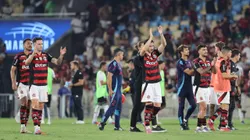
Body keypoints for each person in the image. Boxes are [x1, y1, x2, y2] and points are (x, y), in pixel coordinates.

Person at [25, 37, 66, 134]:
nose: (41, 46)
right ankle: (36, 128)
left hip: (44, 86)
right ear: (34, 45)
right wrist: (33, 54)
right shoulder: (31, 55)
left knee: (40, 107)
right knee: (35, 105)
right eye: (39, 44)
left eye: (42, 44)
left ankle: (38, 127)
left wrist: (61, 55)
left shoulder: (45, 55)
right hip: (34, 85)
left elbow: (57, 62)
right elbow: (26, 63)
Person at [140, 26, 167, 134]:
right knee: (149, 104)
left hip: (156, 83)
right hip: (148, 83)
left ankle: (147, 120)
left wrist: (161, 34)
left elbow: (164, 45)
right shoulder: (141, 56)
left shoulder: (155, 54)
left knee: (157, 106)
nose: (151, 47)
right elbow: (143, 50)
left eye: (152, 45)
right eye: (150, 45)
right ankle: (147, 126)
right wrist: (150, 36)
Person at [207, 47, 238, 132]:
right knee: (225, 106)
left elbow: (222, 74)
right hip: (222, 86)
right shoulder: (223, 62)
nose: (231, 54)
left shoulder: (219, 61)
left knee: (224, 106)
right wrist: (233, 76)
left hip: (221, 85)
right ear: (227, 53)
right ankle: (220, 125)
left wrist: (230, 76)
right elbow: (224, 75)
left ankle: (214, 121)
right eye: (230, 53)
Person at [99, 48, 124, 131]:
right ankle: (102, 122)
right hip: (114, 90)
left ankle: (117, 126)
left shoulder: (118, 64)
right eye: (122, 54)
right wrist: (110, 89)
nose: (123, 56)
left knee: (118, 108)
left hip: (118, 90)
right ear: (118, 55)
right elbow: (109, 77)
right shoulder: (113, 64)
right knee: (112, 107)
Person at [10, 38, 32, 133]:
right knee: (24, 103)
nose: (30, 45)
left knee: (29, 105)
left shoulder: (33, 56)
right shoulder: (18, 56)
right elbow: (13, 70)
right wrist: (13, 82)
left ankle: (24, 125)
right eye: (28, 43)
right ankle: (22, 127)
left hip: (32, 84)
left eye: (31, 43)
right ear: (24, 45)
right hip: (22, 83)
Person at [193, 45, 213, 132]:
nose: (206, 51)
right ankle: (198, 127)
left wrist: (214, 64)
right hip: (199, 86)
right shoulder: (196, 61)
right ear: (199, 51)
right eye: (203, 49)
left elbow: (214, 71)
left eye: (206, 49)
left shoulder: (208, 61)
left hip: (207, 86)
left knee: (204, 108)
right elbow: (201, 71)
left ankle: (203, 126)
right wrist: (210, 67)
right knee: (203, 106)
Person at [176, 45, 197, 130]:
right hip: (182, 87)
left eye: (188, 49)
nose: (188, 51)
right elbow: (189, 72)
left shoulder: (189, 61)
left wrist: (196, 69)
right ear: (181, 52)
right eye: (186, 50)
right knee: (181, 106)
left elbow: (193, 72)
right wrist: (197, 69)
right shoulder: (180, 62)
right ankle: (182, 124)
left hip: (189, 87)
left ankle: (185, 119)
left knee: (193, 105)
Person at [130, 41, 145, 132]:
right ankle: (132, 126)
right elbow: (144, 67)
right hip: (139, 84)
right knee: (136, 106)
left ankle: (151, 124)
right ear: (139, 48)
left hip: (145, 83)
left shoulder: (146, 58)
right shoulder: (136, 59)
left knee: (143, 105)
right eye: (143, 46)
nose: (145, 47)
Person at [209, 42, 224, 118]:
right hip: (212, 84)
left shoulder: (223, 60)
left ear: (218, 49)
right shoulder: (215, 59)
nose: (214, 49)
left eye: (215, 48)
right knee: (211, 105)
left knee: (222, 105)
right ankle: (210, 122)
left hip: (220, 85)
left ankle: (222, 123)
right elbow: (212, 72)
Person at [228, 49, 241, 130]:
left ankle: (229, 123)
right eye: (239, 55)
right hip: (229, 87)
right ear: (236, 55)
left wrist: (237, 87)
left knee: (231, 106)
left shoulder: (234, 65)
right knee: (228, 106)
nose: (239, 57)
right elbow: (230, 76)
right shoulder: (230, 64)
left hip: (232, 87)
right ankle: (227, 124)